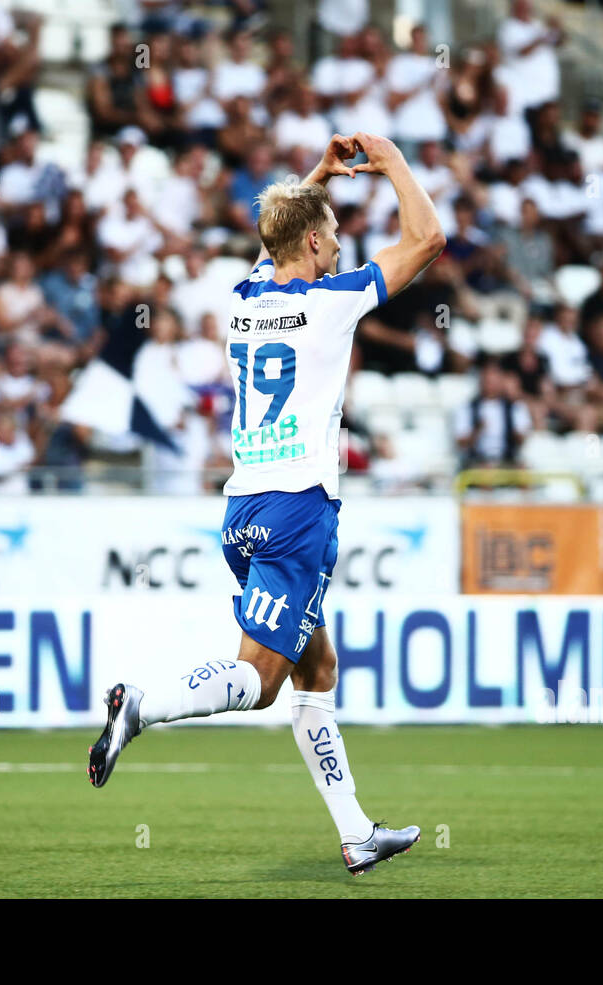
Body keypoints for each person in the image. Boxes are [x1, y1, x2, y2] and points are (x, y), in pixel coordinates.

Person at [88, 133, 446, 876]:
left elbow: (273, 238)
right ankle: (141, 706)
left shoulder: (245, 301)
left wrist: (315, 178)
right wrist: (391, 163)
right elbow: (430, 239)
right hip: (298, 512)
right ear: (314, 241)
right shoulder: (330, 303)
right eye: (336, 237)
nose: (343, 248)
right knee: (260, 681)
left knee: (318, 668)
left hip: (243, 510)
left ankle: (356, 832)